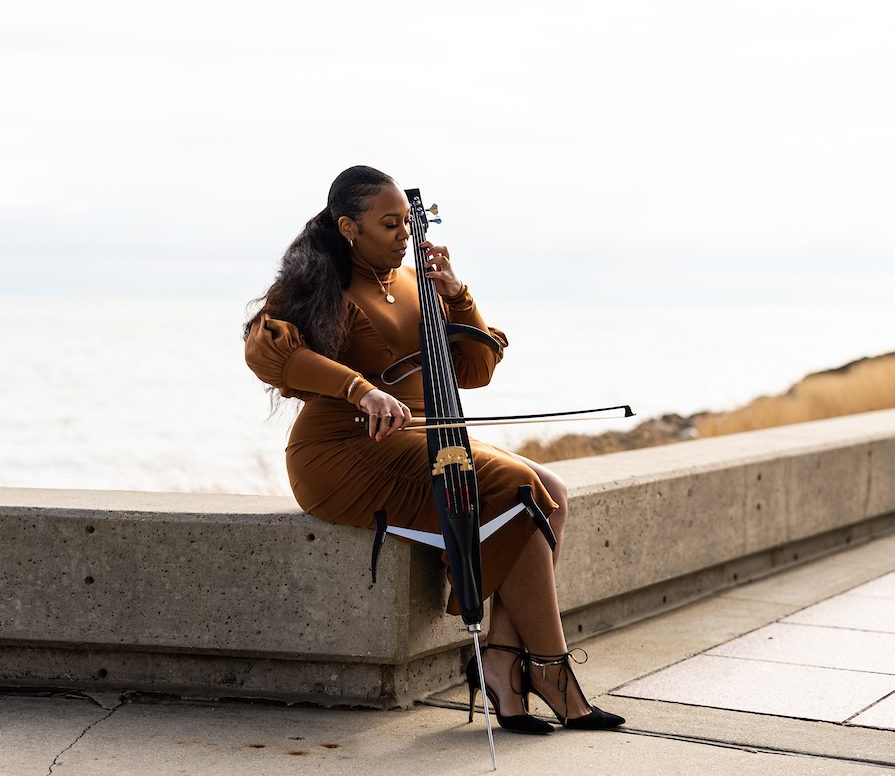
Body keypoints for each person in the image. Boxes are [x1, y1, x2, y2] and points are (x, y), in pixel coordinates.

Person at [243, 165, 624, 734]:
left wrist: (458, 297)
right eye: (389, 224)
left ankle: (500, 660)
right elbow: (266, 351)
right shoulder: (318, 283)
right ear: (349, 227)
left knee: (555, 492)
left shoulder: (415, 282)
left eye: (407, 223)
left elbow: (475, 369)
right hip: (345, 449)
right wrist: (360, 387)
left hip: (426, 436)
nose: (405, 235)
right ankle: (550, 672)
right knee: (518, 490)